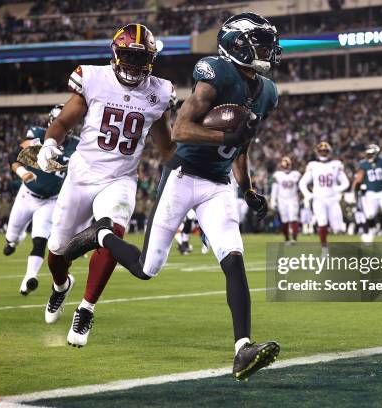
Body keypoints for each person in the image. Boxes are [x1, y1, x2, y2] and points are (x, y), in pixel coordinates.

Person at [63, 13, 282, 381]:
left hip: (217, 184)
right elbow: (181, 129)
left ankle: (242, 348)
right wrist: (221, 138)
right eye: (260, 41)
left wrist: (246, 187)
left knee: (234, 257)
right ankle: (100, 235)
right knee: (148, 269)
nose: (267, 48)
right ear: (237, 43)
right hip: (182, 176)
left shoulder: (267, 92)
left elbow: (242, 142)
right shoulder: (217, 73)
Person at [35, 23, 175, 347]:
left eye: (140, 59)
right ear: (115, 53)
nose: (133, 65)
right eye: (127, 56)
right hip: (81, 175)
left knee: (113, 231)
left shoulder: (160, 92)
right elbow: (61, 123)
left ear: (151, 60)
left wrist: (190, 163)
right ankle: (60, 286)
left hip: (120, 178)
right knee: (56, 251)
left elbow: (166, 147)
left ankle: (86, 308)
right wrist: (49, 145)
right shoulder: (93, 78)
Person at [3, 105, 79, 296]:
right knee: (11, 236)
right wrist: (23, 172)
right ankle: (13, 241)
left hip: (51, 200)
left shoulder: (78, 145)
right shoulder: (37, 136)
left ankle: (29, 277)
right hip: (27, 195)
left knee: (40, 239)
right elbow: (14, 156)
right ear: (51, 123)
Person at [299, 142, 349, 256]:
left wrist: (337, 189)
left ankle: (333, 243)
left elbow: (346, 182)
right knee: (322, 222)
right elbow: (302, 183)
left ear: (329, 152)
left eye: (325, 151)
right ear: (317, 152)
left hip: (332, 199)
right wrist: (308, 194)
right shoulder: (313, 165)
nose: (323, 153)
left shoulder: (336, 165)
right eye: (321, 151)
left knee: (337, 227)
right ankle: (324, 249)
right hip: (319, 199)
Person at [351, 144, 382, 243]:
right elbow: (358, 179)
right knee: (369, 215)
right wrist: (354, 189)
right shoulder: (364, 164)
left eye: (371, 154)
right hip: (370, 193)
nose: (368, 156)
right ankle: (370, 233)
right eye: (368, 154)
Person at [270, 156, 301, 243]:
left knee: (293, 217)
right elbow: (274, 188)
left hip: (293, 198)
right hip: (282, 199)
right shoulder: (278, 175)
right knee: (284, 219)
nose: (286, 167)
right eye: (284, 166)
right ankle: (287, 238)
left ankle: (294, 238)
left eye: (287, 165)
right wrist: (273, 200)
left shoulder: (296, 174)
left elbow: (300, 186)